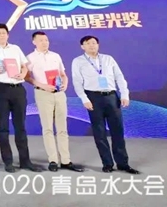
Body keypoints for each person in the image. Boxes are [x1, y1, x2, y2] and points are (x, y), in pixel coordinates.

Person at [71, 35, 139, 174]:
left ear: (98, 45)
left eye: (94, 43)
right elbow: (77, 81)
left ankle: (123, 164)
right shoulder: (78, 61)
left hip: (112, 97)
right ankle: (107, 163)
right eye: (88, 43)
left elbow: (119, 77)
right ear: (82, 46)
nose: (92, 45)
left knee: (117, 131)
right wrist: (84, 99)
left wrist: (124, 94)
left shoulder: (108, 59)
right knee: (100, 132)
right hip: (93, 97)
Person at [0, 23, 42, 173]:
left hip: (18, 89)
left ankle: (25, 161)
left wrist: (23, 74)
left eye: (4, 33)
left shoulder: (15, 48)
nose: (2, 35)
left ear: (8, 35)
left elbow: (25, 65)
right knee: (3, 127)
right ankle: (8, 161)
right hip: (0, 89)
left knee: (20, 126)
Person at [26, 32, 84, 173]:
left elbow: (63, 74)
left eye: (46, 40)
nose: (44, 42)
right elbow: (27, 77)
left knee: (62, 128)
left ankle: (66, 160)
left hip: (59, 94)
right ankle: (53, 160)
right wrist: (42, 85)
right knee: (48, 128)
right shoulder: (30, 58)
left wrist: (65, 84)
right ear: (34, 42)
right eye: (41, 40)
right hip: (43, 93)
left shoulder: (55, 56)